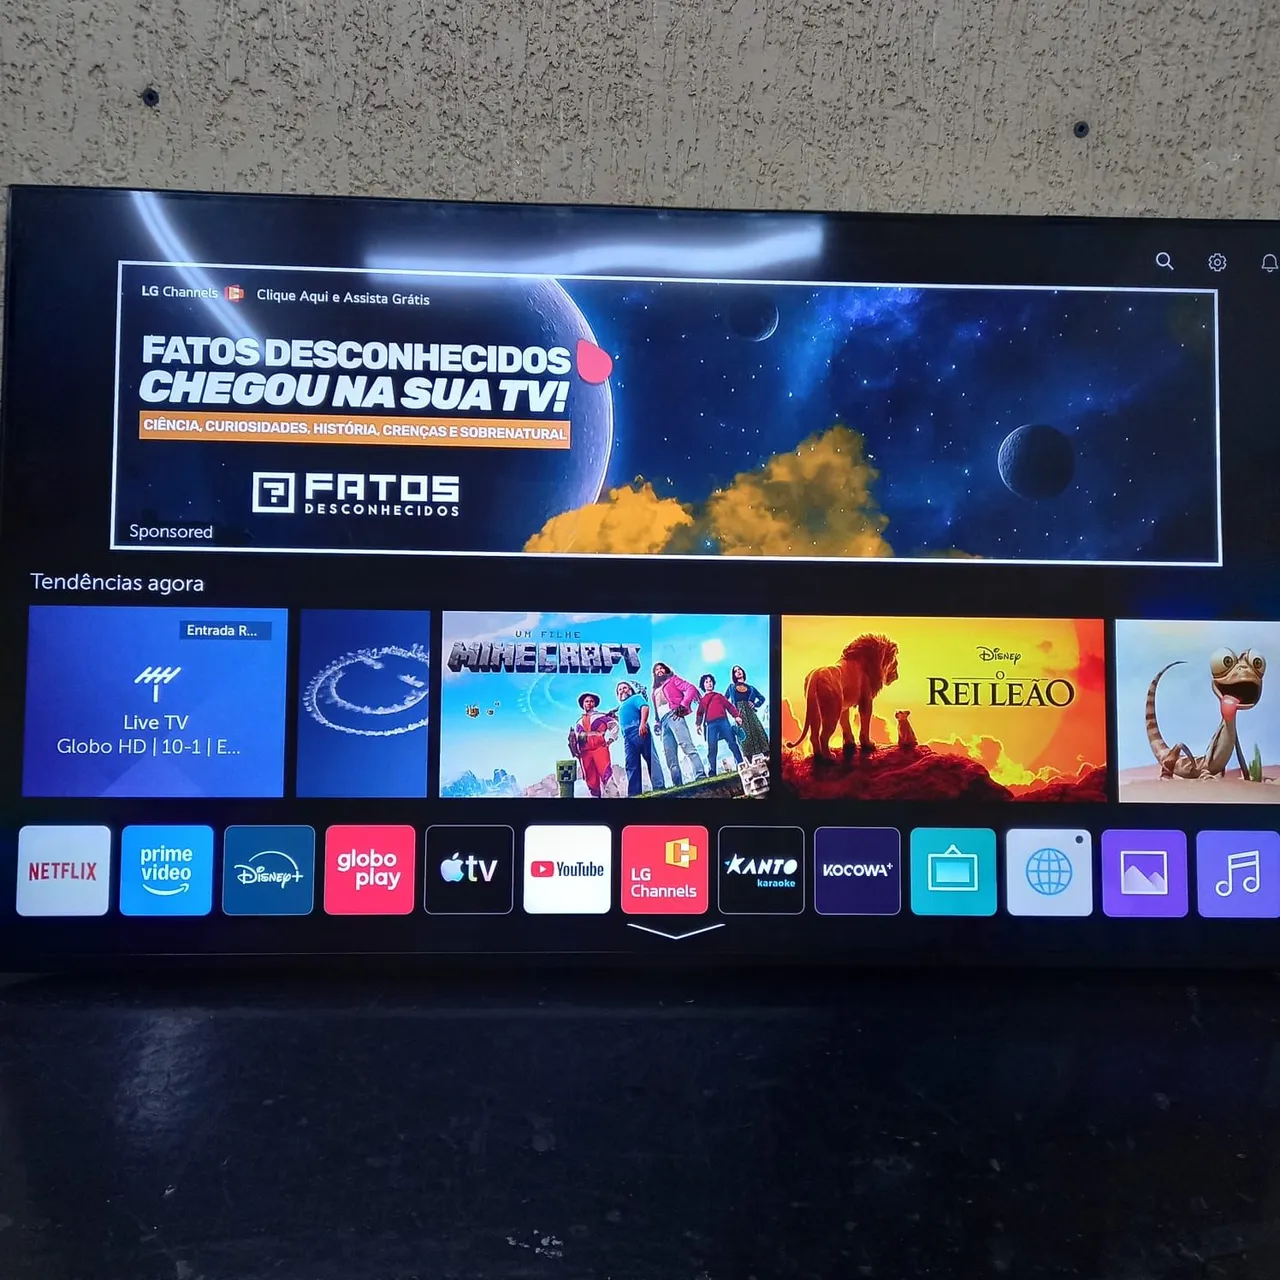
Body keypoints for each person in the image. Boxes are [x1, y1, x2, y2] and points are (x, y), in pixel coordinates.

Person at [651, 661, 707, 785]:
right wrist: (657, 722)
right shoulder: (654, 691)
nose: (659, 670)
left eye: (661, 668)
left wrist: (683, 704)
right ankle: (677, 784)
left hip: (674, 715)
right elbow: (657, 709)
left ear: (666, 670)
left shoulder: (673, 680)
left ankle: (700, 776)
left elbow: (690, 688)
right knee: (669, 755)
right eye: (656, 669)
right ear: (654, 674)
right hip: (663, 722)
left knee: (687, 746)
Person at [615, 680, 665, 796]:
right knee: (631, 764)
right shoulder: (621, 707)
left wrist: (643, 723)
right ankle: (634, 793)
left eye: (625, 688)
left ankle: (659, 787)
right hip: (627, 737)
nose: (622, 690)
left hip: (639, 730)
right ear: (618, 695)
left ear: (630, 690)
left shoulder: (636, 698)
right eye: (620, 690)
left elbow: (644, 707)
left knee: (650, 758)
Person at [567, 692, 617, 798]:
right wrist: (574, 748)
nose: (589, 703)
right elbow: (576, 740)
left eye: (591, 701)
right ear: (583, 705)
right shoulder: (578, 722)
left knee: (606, 775)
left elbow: (614, 726)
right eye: (586, 701)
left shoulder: (601, 716)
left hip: (600, 749)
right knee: (590, 779)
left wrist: (610, 739)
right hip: (585, 753)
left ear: (594, 704)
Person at [696, 673, 743, 773]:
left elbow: (729, 706)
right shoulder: (703, 700)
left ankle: (740, 763)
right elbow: (699, 713)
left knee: (732, 743)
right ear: (703, 685)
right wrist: (698, 725)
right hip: (710, 725)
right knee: (712, 748)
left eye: (710, 681)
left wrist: (736, 716)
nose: (709, 684)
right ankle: (712, 770)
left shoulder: (719, 696)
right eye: (706, 682)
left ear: (713, 683)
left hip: (723, 722)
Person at [727, 664, 769, 758]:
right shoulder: (731, 687)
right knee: (744, 736)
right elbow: (724, 700)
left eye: (739, 669)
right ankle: (749, 760)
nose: (738, 671)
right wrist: (733, 712)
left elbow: (762, 698)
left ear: (743, 672)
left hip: (751, 712)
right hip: (739, 713)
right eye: (735, 671)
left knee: (758, 732)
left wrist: (756, 704)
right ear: (734, 675)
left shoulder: (751, 688)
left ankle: (767, 756)